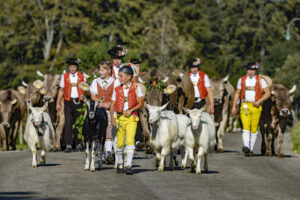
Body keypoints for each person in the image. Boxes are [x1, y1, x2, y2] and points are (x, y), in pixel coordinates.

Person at [110, 66, 144, 175]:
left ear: (129, 77)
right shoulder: (117, 89)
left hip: (132, 118)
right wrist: (112, 118)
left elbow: (141, 103)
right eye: (119, 76)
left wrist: (131, 110)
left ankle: (128, 165)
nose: (119, 78)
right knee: (119, 142)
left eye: (121, 76)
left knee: (130, 140)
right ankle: (120, 163)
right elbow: (112, 105)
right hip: (120, 118)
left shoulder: (136, 88)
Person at [231, 62, 270, 156]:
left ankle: (251, 149)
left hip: (256, 106)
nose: (251, 72)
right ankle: (246, 147)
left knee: (254, 128)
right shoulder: (242, 80)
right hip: (245, 105)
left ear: (255, 71)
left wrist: (260, 101)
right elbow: (237, 92)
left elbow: (268, 93)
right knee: (245, 126)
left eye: (253, 70)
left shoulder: (261, 80)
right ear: (246, 70)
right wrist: (234, 106)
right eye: (249, 69)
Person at [56, 58, 86, 152]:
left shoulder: (82, 76)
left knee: (78, 122)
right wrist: (58, 102)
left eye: (74, 66)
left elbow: (86, 88)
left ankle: (78, 143)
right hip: (68, 101)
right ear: (69, 67)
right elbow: (61, 90)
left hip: (79, 101)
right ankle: (68, 144)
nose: (72, 69)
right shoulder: (65, 76)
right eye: (71, 67)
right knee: (68, 122)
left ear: (77, 67)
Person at [90, 61, 114, 168]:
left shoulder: (115, 82)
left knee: (109, 129)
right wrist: (99, 103)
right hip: (99, 109)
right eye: (99, 70)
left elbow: (117, 96)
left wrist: (109, 104)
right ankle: (100, 154)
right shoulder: (96, 81)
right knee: (98, 131)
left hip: (110, 108)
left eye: (103, 70)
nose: (100, 72)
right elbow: (93, 96)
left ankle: (108, 152)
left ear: (108, 71)